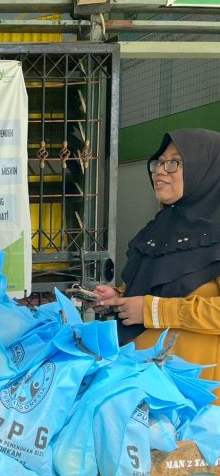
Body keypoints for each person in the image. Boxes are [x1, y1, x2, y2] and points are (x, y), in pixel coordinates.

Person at [93, 128, 220, 396]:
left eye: (174, 162)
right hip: (141, 382)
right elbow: (165, 286)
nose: (160, 171)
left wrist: (154, 311)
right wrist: (119, 299)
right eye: (159, 162)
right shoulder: (160, 227)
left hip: (194, 394)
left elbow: (159, 304)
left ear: (205, 169)